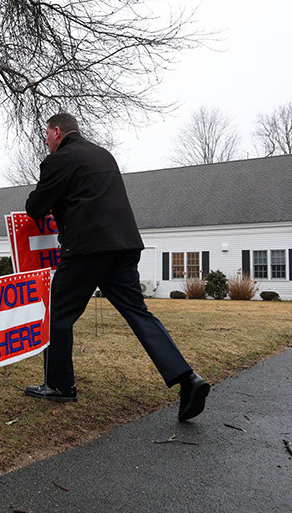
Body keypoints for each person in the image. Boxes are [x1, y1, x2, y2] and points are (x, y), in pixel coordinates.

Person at [24, 113, 209, 422]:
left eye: (47, 135)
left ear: (58, 132)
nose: (46, 141)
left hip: (86, 249)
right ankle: (187, 378)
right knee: (138, 313)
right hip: (124, 247)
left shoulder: (60, 159)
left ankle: (59, 385)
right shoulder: (103, 154)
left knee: (57, 314)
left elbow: (36, 207)